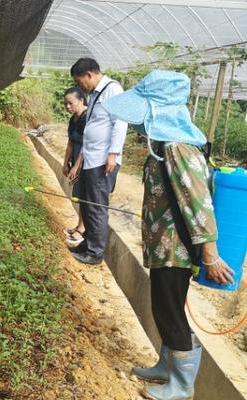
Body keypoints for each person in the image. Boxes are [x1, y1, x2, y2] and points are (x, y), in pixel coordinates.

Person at [104, 70, 235, 400]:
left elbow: (198, 203)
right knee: (165, 306)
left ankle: (183, 384)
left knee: (169, 310)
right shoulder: (165, 144)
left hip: (176, 248)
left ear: (159, 111)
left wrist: (211, 256)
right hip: (164, 245)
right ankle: (167, 365)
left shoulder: (178, 147)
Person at [69, 58, 128, 264]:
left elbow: (120, 123)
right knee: (87, 205)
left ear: (89, 75)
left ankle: (95, 254)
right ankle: (87, 244)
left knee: (96, 207)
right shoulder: (95, 94)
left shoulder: (113, 90)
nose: (80, 86)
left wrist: (113, 153)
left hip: (103, 161)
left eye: (80, 81)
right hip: (91, 159)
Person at [62, 87, 88, 247]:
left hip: (86, 161)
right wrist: (65, 163)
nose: (68, 107)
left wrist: (76, 167)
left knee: (85, 195)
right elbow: (71, 142)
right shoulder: (74, 119)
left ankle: (82, 229)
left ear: (81, 100)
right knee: (79, 194)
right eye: (65, 104)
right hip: (76, 159)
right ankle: (79, 226)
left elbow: (86, 145)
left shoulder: (87, 119)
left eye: (70, 103)